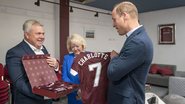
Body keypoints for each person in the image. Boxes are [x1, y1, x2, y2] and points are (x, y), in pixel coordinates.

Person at [107, 1, 153, 104]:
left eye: (114, 20)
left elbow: (113, 73)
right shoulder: (136, 38)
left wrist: (114, 58)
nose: (113, 24)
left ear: (124, 16)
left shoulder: (138, 42)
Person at [6, 19, 59, 104]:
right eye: (38, 33)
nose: (42, 37)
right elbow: (20, 83)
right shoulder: (14, 52)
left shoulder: (43, 48)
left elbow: (48, 73)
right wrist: (45, 95)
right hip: (29, 100)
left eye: (43, 33)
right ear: (27, 35)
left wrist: (55, 66)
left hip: (47, 99)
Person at [61, 33, 86, 104]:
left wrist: (82, 89)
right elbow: (65, 77)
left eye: (77, 46)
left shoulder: (89, 57)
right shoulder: (67, 58)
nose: (75, 49)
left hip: (86, 92)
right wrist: (76, 88)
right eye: (73, 47)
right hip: (72, 92)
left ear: (82, 45)